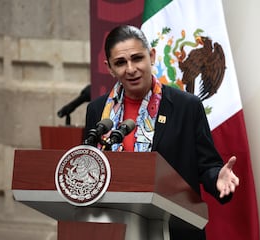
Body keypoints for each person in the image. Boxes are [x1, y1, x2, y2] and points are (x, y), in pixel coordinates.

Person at [85, 25, 239, 240]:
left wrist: (218, 179)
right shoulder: (98, 111)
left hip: (175, 230)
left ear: (152, 56)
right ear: (109, 67)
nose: (130, 69)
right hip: (115, 229)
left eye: (137, 58)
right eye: (120, 62)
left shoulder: (186, 106)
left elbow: (207, 165)